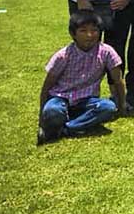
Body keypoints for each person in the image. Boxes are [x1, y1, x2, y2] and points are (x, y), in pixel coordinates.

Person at [38, 10, 124, 144]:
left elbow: (118, 80)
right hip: (61, 98)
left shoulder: (106, 52)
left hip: (87, 100)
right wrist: (42, 115)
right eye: (83, 31)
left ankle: (66, 129)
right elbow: (47, 86)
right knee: (52, 111)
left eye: (94, 30)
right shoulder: (63, 56)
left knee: (108, 108)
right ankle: (74, 121)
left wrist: (122, 106)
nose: (90, 35)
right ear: (73, 34)